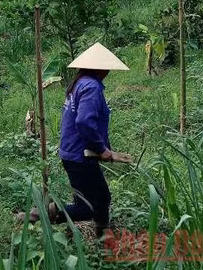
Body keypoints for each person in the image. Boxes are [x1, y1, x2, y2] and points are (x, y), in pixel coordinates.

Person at [17, 43, 132, 238]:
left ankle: (102, 236)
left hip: (73, 152)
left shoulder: (80, 83)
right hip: (80, 156)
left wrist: (104, 149)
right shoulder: (92, 87)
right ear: (100, 68)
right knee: (88, 206)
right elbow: (85, 122)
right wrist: (101, 149)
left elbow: (89, 122)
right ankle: (34, 216)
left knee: (100, 197)